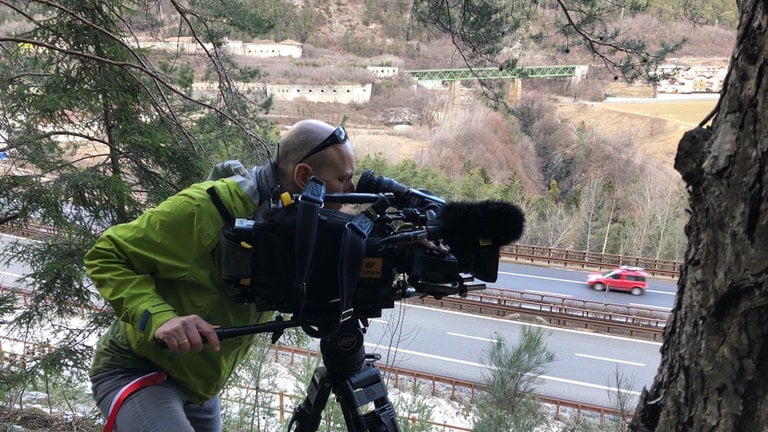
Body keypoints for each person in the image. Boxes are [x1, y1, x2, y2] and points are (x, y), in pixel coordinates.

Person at [85, 119, 355, 432]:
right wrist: (160, 319)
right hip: (137, 367)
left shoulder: (297, 223)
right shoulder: (209, 208)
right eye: (344, 179)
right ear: (304, 177)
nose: (351, 191)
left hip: (199, 389)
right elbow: (106, 253)